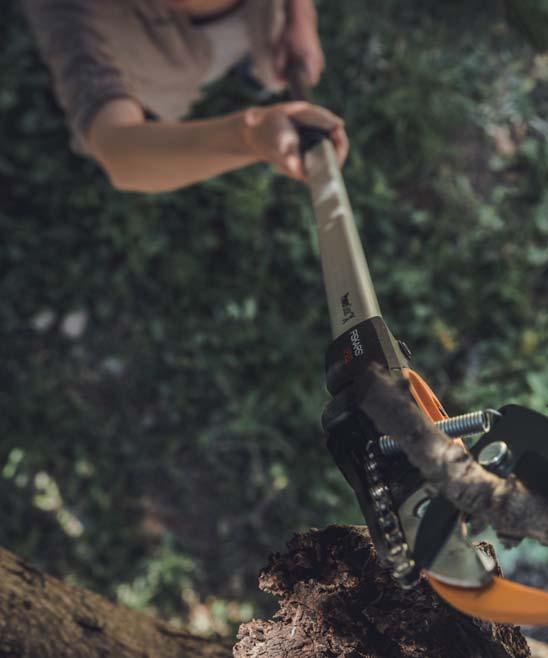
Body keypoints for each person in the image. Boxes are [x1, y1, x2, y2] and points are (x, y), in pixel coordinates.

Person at [22, 0, 349, 193]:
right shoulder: (69, 11)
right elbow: (117, 149)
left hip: (259, 22)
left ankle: (252, 69)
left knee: (265, 67)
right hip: (160, 67)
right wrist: (247, 136)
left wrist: (299, 17)